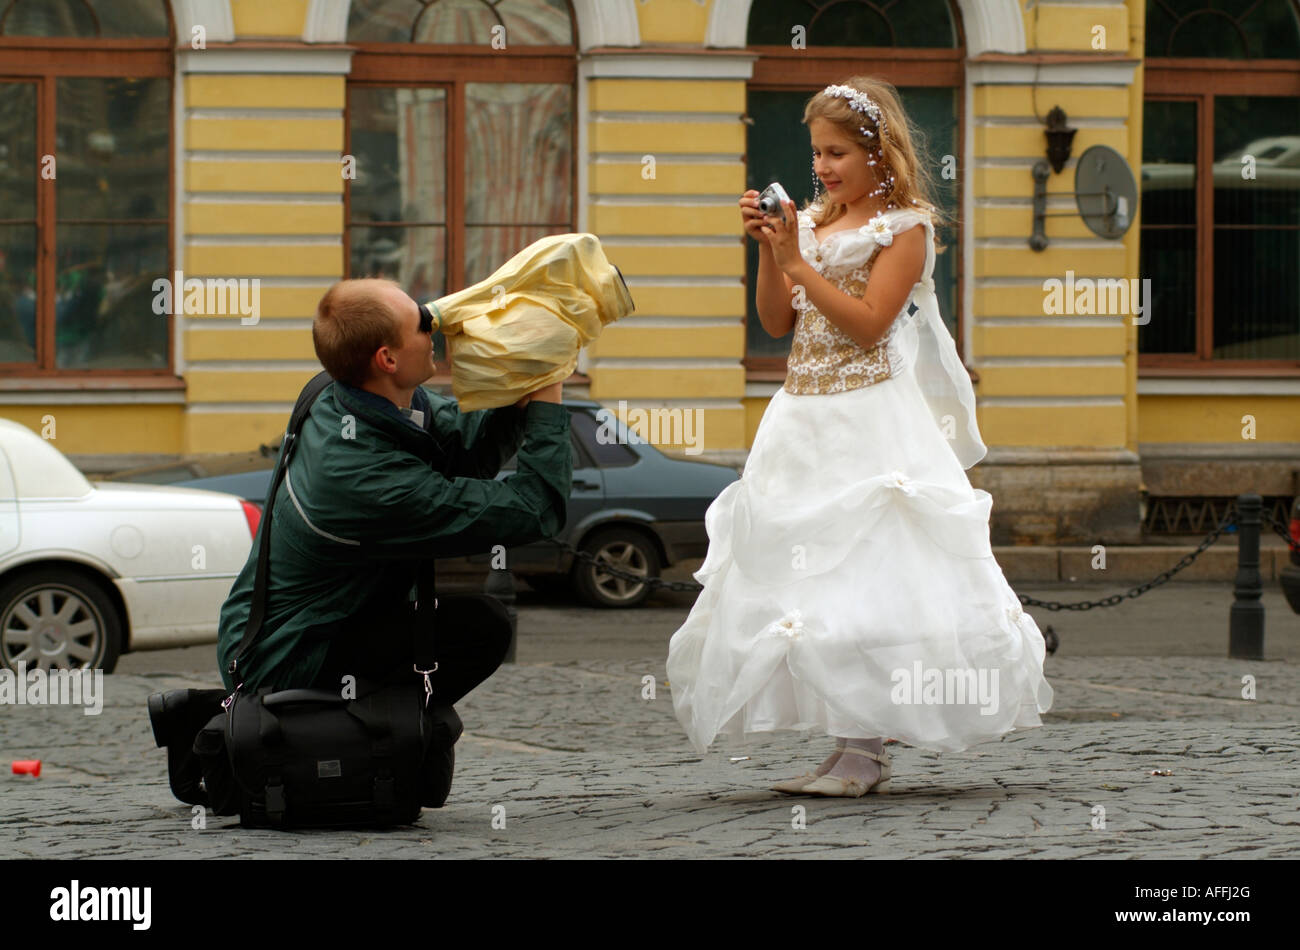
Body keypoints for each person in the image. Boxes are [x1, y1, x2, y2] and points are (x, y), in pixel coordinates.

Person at [665, 76, 1054, 797]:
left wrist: (797, 262)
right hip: (801, 418)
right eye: (817, 153)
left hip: (868, 419)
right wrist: (771, 248)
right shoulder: (811, 225)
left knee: (871, 577)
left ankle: (863, 751)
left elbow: (871, 322)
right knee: (812, 584)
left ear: (880, 153)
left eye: (837, 152)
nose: (823, 167)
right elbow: (779, 322)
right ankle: (849, 743)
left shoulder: (905, 228)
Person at [216, 277, 571, 708]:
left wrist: (517, 386)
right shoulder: (363, 480)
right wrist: (548, 396)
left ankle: (398, 732)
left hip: (317, 624)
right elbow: (537, 509)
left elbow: (467, 450)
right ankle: (383, 733)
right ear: (387, 359)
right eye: (421, 324)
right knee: (482, 627)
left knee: (455, 625)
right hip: (288, 655)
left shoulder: (351, 396)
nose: (433, 328)